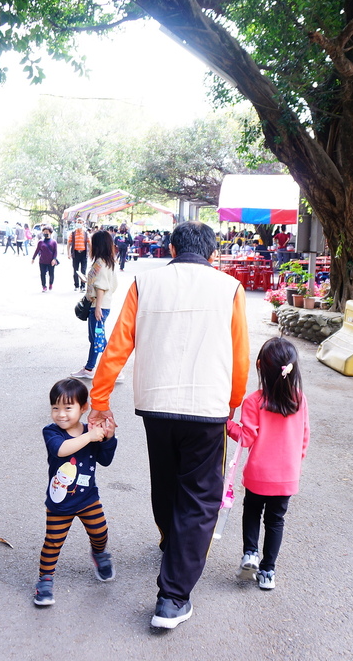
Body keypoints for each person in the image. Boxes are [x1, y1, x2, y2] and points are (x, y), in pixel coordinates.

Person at [89, 220, 250, 629]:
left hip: (155, 405)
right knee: (199, 496)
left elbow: (117, 344)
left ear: (172, 250)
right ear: (212, 255)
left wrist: (100, 401)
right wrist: (231, 405)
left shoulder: (146, 284)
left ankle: (169, 541)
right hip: (207, 407)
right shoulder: (229, 287)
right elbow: (240, 356)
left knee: (164, 479)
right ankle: (173, 598)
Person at [227, 337, 310, 591]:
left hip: (258, 474)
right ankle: (267, 572)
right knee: (276, 520)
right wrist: (295, 462)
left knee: (252, 511)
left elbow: (246, 437)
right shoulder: (299, 399)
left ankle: (250, 553)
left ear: (260, 366)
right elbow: (304, 436)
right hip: (287, 475)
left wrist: (225, 423)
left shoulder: (254, 401)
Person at [34, 378, 118, 606]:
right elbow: (61, 450)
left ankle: (99, 554)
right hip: (59, 502)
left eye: (68, 408)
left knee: (100, 532)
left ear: (84, 408)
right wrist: (90, 437)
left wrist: (107, 438)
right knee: (53, 541)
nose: (61, 414)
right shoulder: (52, 432)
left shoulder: (90, 431)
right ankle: (45, 580)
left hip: (88, 498)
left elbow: (106, 460)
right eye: (55, 408)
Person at [71, 231, 118, 380]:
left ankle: (113, 368)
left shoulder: (100, 263)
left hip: (97, 307)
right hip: (102, 305)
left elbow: (101, 286)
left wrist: (97, 307)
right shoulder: (108, 261)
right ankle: (90, 368)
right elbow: (111, 285)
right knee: (97, 339)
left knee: (98, 339)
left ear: (98, 244)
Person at [32, 226, 59, 292]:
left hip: (51, 261)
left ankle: (51, 284)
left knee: (51, 273)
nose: (45, 233)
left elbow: (55, 251)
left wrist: (54, 259)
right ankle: (44, 286)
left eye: (47, 232)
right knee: (42, 274)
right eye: (44, 232)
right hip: (42, 261)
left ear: (50, 232)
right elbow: (37, 250)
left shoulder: (54, 242)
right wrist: (33, 258)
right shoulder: (40, 242)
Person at [68, 222, 91, 292]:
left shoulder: (86, 233)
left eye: (81, 223)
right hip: (75, 253)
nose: (79, 224)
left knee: (83, 270)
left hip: (83, 253)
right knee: (76, 270)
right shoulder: (73, 233)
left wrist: (90, 252)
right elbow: (69, 244)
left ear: (83, 224)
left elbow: (89, 243)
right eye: (78, 222)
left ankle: (83, 286)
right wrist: (68, 253)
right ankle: (76, 285)